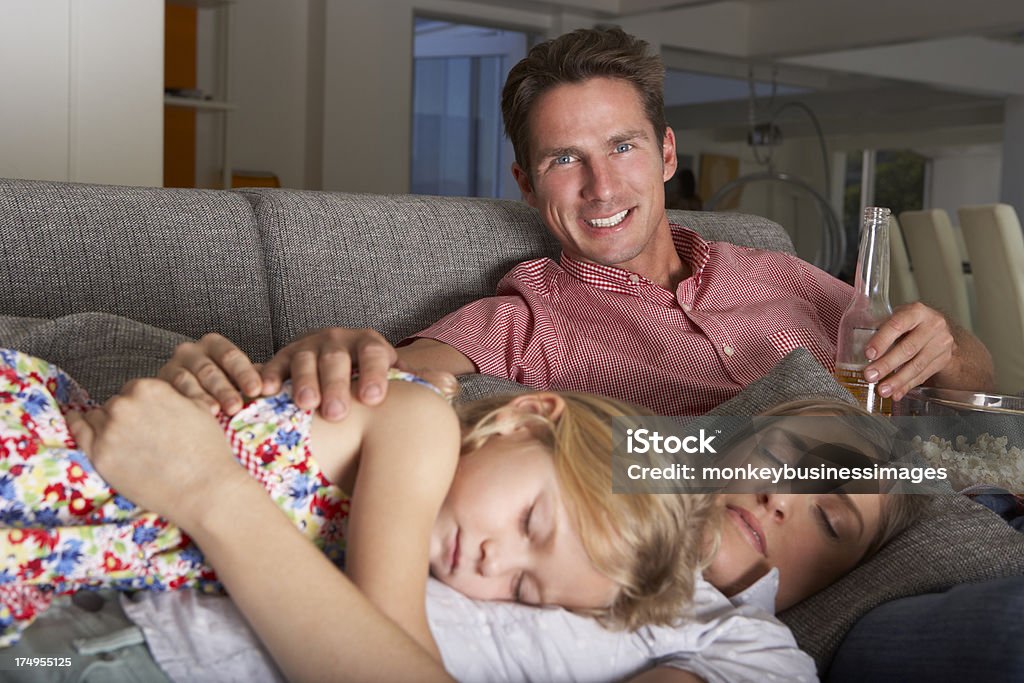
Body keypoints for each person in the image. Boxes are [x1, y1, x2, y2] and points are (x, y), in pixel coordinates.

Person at [156, 27, 993, 422]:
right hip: (854, 546)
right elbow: (406, 377)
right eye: (564, 160)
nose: (600, 186)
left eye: (622, 146)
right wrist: (329, 353)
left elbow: (968, 379)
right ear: (526, 183)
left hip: (951, 483)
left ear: (666, 153)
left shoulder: (783, 273)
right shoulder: (529, 316)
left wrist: (950, 346)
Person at [0, 348, 715, 672]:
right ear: (524, 419)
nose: (498, 562)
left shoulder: (397, 529)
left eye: (524, 589)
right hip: (33, 460)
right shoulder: (421, 426)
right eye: (532, 522)